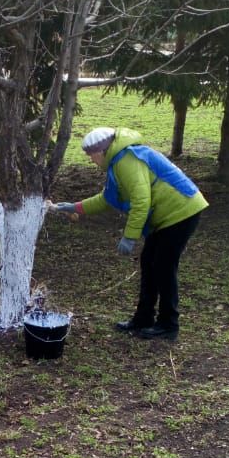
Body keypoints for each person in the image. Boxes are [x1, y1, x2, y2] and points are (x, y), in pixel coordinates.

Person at [51, 126, 207, 340]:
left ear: (102, 151)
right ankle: (143, 319)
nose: (90, 160)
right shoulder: (118, 161)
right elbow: (107, 199)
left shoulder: (126, 161)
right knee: (149, 262)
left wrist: (129, 237)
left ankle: (168, 325)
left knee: (163, 266)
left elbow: (141, 201)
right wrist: (74, 207)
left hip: (181, 211)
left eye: (91, 155)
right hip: (170, 215)